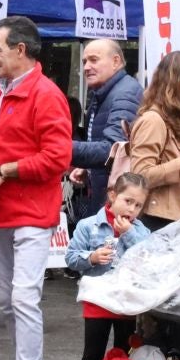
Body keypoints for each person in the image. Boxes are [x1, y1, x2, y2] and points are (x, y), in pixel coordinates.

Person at [0, 16, 73, 360]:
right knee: (6, 299)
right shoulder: (1, 92)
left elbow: (58, 158)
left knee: (23, 297)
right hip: (1, 211)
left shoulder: (46, 95)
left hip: (32, 213)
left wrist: (6, 171)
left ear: (21, 50)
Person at [66, 173, 151, 360]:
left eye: (138, 205)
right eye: (128, 201)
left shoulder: (141, 230)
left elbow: (148, 259)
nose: (132, 209)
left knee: (123, 354)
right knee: (92, 353)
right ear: (112, 195)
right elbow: (71, 258)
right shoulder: (88, 225)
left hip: (126, 303)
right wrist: (91, 258)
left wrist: (129, 234)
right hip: (97, 301)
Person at [125, 52, 180, 232]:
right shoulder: (153, 120)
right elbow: (139, 176)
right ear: (176, 80)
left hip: (179, 220)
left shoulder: (178, 119)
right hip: (158, 223)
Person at [69, 39, 141, 224]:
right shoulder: (104, 92)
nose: (86, 67)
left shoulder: (125, 94)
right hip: (106, 196)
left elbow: (113, 149)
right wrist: (89, 168)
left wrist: (59, 148)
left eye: (94, 60)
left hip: (117, 204)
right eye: (85, 61)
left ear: (116, 61)